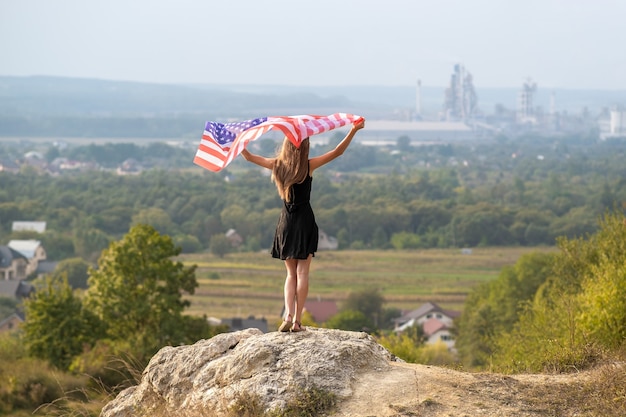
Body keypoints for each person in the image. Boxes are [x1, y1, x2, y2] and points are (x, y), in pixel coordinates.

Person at [241, 119, 365, 332]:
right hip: (305, 220)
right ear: (305, 146)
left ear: (286, 145)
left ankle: (287, 315)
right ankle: (298, 321)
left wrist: (239, 141)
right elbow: (337, 152)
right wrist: (353, 130)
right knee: (303, 273)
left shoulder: (277, 166)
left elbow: (250, 157)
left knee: (290, 274)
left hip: (286, 222)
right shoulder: (308, 166)